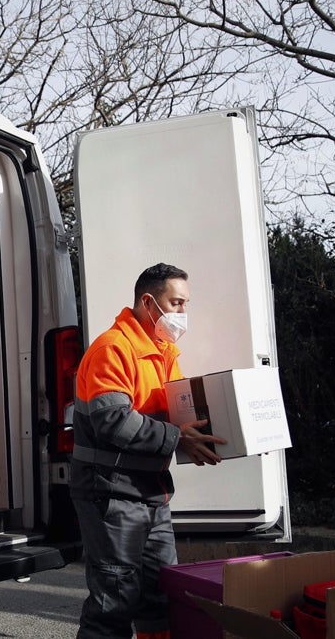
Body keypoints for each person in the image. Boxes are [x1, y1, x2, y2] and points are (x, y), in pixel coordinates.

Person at [71, 263, 226, 639]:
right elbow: (113, 421)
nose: (182, 314)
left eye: (185, 304)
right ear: (148, 301)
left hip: (150, 491)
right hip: (109, 492)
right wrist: (178, 439)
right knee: (115, 601)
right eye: (175, 303)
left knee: (161, 597)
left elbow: (177, 413)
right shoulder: (113, 349)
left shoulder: (164, 352)